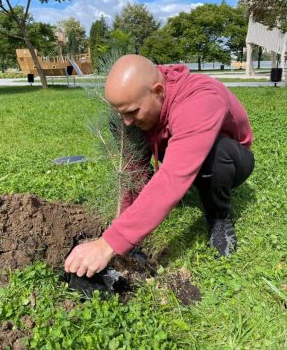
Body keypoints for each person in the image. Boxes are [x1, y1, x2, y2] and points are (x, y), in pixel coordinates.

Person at [65, 55, 255, 278]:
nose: (126, 120)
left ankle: (219, 217)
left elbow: (172, 178)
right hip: (182, 148)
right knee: (130, 128)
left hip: (231, 160)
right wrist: (124, 221)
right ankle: (141, 215)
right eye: (120, 112)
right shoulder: (138, 100)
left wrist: (107, 244)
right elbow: (132, 168)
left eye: (133, 111)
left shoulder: (200, 100)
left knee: (216, 154)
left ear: (158, 91)